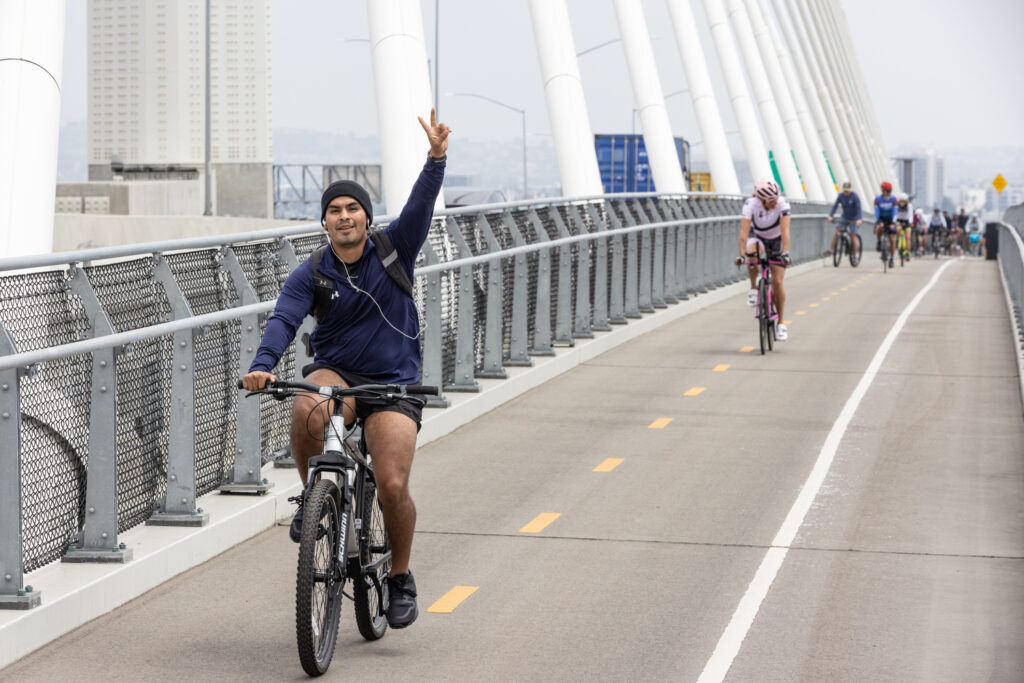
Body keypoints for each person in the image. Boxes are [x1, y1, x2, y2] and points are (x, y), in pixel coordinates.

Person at [241, 109, 451, 630]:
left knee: (393, 484)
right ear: (325, 221)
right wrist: (263, 366)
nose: (344, 216)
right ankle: (315, 498)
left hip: (394, 381)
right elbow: (284, 321)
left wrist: (436, 159)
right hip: (337, 372)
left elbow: (421, 207)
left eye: (352, 208)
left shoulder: (395, 248)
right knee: (307, 404)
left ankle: (399, 576)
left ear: (366, 216)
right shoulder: (311, 271)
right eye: (334, 210)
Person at [737, 178, 792, 341]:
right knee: (751, 251)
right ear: (760, 199)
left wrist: (786, 252)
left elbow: (785, 230)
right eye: (769, 201)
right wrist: (741, 255)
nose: (774, 203)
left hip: (776, 239)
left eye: (775, 199)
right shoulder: (750, 204)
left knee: (778, 281)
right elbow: (744, 233)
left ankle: (781, 323)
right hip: (758, 236)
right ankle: (754, 287)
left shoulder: (783, 203)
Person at [825, 181, 862, 258]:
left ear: (850, 190)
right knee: (837, 230)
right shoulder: (841, 196)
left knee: (853, 235)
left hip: (854, 218)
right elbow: (835, 206)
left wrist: (859, 219)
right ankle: (831, 250)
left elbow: (859, 209)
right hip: (845, 217)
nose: (846, 192)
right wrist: (830, 215)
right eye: (845, 191)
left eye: (847, 191)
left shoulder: (855, 196)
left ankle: (855, 256)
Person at [874, 181, 898, 267]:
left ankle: (891, 258)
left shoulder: (894, 199)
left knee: (892, 240)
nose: (882, 191)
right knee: (879, 228)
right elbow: (876, 211)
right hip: (881, 218)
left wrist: (894, 223)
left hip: (891, 219)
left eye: (883, 189)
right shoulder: (878, 199)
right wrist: (877, 221)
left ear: (887, 191)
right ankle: (879, 241)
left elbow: (895, 211)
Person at [894, 192, 914, 261]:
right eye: (901, 201)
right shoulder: (896, 205)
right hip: (899, 220)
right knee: (898, 229)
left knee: (908, 237)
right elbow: (895, 214)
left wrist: (910, 222)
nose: (902, 203)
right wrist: (895, 222)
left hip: (906, 221)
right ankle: (897, 239)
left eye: (904, 202)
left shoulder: (909, 206)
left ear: (906, 202)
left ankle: (907, 252)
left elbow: (911, 215)